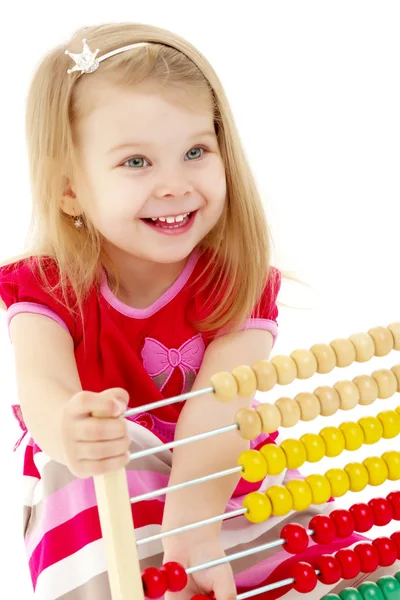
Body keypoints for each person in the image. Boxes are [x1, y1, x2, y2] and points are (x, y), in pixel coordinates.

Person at [0, 22, 389, 600]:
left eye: (195, 152)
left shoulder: (236, 281)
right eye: (136, 163)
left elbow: (218, 407)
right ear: (70, 190)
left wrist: (192, 522)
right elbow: (44, 385)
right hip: (107, 494)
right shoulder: (45, 288)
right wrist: (67, 428)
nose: (175, 184)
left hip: (216, 475)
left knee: (346, 567)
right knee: (95, 457)